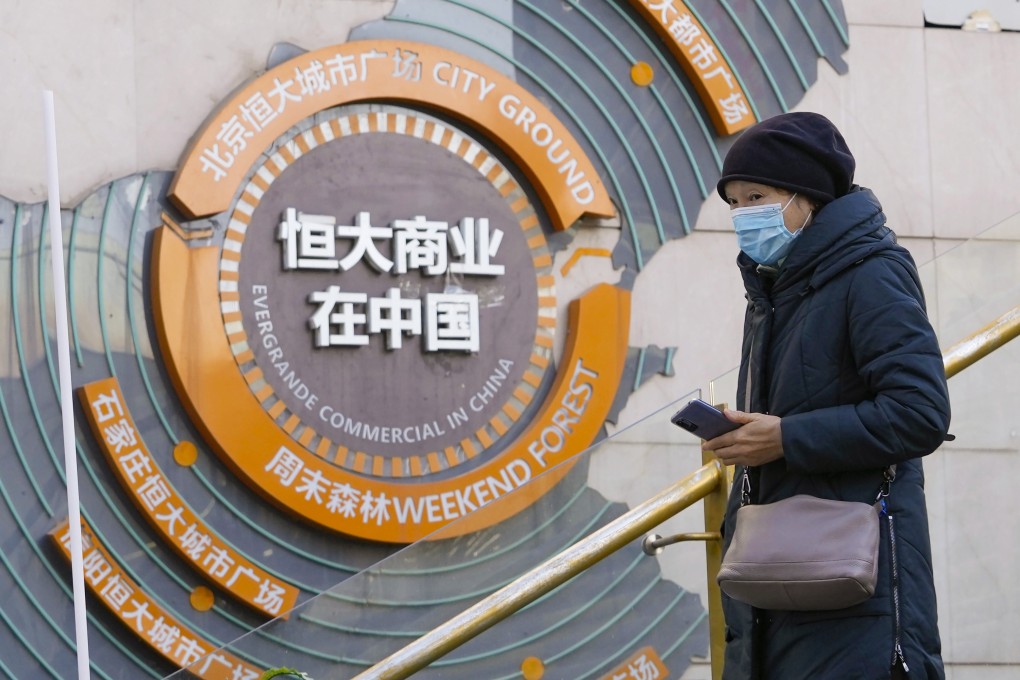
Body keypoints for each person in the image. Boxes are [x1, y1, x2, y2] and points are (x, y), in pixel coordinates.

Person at [703, 112, 951, 679]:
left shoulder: (872, 272)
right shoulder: (774, 289)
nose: (744, 216)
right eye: (735, 202)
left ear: (806, 198)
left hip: (854, 592)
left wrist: (786, 437)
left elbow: (920, 413)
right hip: (779, 583)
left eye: (757, 196)